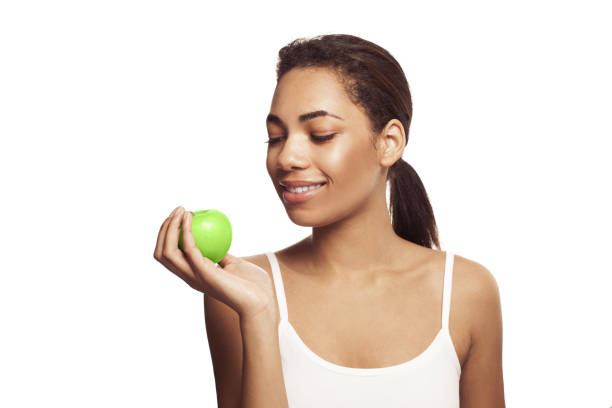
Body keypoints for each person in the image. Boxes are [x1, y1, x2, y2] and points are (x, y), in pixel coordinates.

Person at [154, 34, 505, 408]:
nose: (287, 156)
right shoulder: (237, 292)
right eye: (275, 137)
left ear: (389, 142)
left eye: (320, 135)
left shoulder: (466, 293)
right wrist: (258, 315)